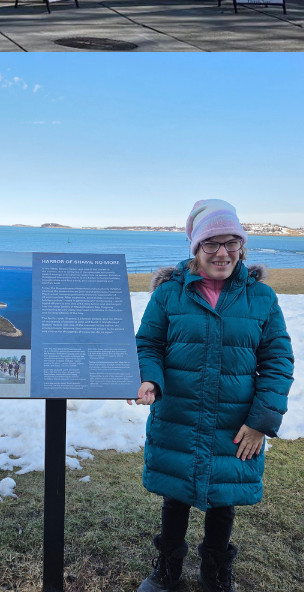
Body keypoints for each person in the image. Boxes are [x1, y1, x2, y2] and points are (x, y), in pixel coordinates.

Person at [129, 199, 294, 592]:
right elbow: (148, 343)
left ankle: (214, 572)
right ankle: (167, 569)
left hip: (236, 422)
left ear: (242, 245)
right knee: (176, 495)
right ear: (196, 249)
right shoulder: (169, 294)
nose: (222, 253)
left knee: (224, 498)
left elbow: (278, 361)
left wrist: (260, 423)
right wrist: (149, 379)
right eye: (211, 244)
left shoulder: (262, 298)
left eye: (231, 242)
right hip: (178, 415)